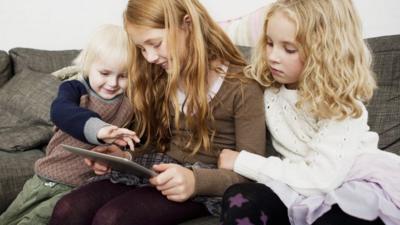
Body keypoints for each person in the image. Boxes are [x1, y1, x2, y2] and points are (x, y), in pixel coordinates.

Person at [48, 0, 267, 225]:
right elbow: (159, 143)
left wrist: (195, 181)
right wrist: (124, 157)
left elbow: (251, 173)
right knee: (68, 208)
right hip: (157, 169)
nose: (150, 57)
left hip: (204, 182)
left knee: (112, 218)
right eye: (142, 48)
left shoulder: (242, 87)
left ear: (187, 25)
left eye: (155, 43)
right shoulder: (161, 76)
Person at [218, 0, 400, 225]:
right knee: (240, 199)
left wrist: (244, 161)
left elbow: (321, 179)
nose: (273, 56)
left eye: (289, 49)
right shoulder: (267, 84)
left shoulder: (343, 106)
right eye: (269, 43)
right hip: (294, 185)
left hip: (348, 183)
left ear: (323, 52)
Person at [0, 24, 139, 225]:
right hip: (45, 175)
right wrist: (99, 130)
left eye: (123, 76)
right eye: (105, 73)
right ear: (88, 65)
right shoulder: (74, 88)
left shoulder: (129, 104)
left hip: (80, 186)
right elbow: (61, 112)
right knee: (9, 218)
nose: (112, 83)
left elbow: (132, 142)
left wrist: (123, 148)